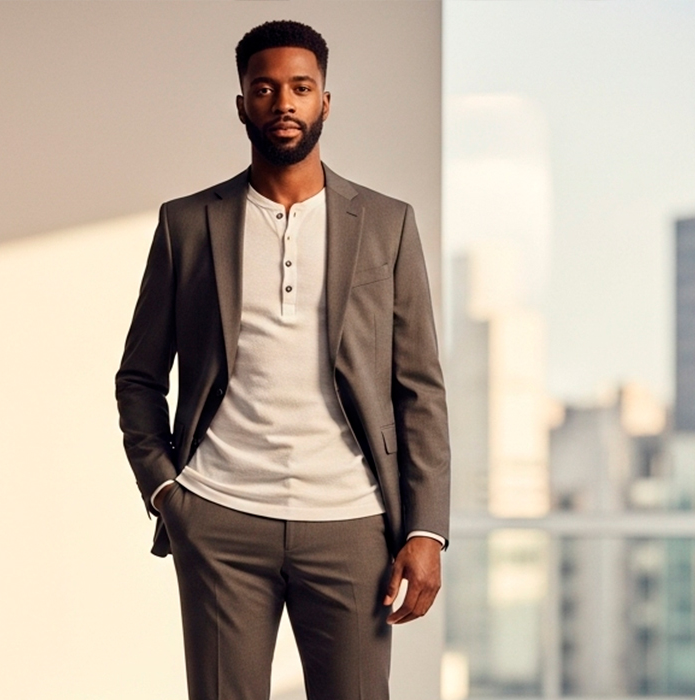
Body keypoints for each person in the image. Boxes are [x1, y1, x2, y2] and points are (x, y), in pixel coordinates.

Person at [115, 19, 450, 700]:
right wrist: (167, 494)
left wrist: (427, 530)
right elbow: (140, 377)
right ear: (242, 104)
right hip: (220, 518)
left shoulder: (387, 224)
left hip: (353, 524)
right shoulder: (187, 225)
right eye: (264, 89)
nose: (283, 103)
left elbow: (420, 388)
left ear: (326, 101)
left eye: (300, 87)